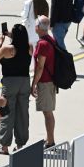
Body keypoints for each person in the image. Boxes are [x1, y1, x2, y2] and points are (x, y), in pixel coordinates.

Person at [0, 24, 30, 154]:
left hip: (10, 83)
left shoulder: (8, 49)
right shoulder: (29, 47)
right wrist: (11, 35)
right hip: (25, 82)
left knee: (7, 113)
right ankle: (20, 144)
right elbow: (20, 40)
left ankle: (4, 146)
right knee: (23, 113)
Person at [31, 16, 58, 147]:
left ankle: (50, 141)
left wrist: (33, 84)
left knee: (47, 113)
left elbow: (40, 66)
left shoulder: (42, 44)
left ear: (38, 27)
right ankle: (49, 138)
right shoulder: (50, 40)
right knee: (48, 112)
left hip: (45, 82)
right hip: (51, 81)